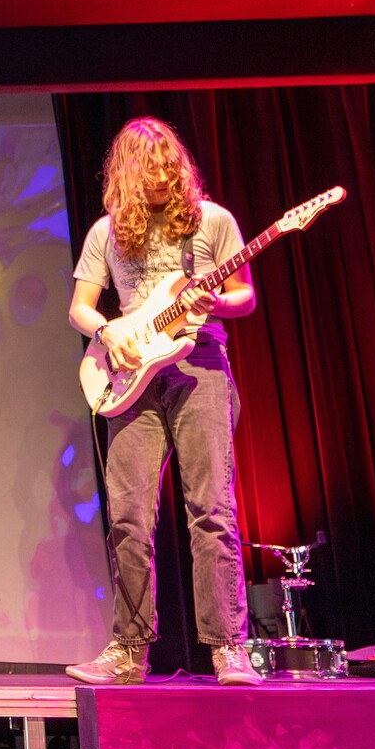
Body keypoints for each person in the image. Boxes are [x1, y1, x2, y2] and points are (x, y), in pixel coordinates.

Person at [65, 117, 261, 687]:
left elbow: (243, 295)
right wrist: (107, 331)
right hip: (130, 375)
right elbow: (80, 307)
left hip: (200, 364)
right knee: (128, 517)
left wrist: (218, 305)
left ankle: (228, 648)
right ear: (127, 174)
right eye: (149, 169)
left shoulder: (213, 221)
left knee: (212, 510)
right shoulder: (107, 232)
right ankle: (128, 650)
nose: (161, 177)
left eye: (168, 167)